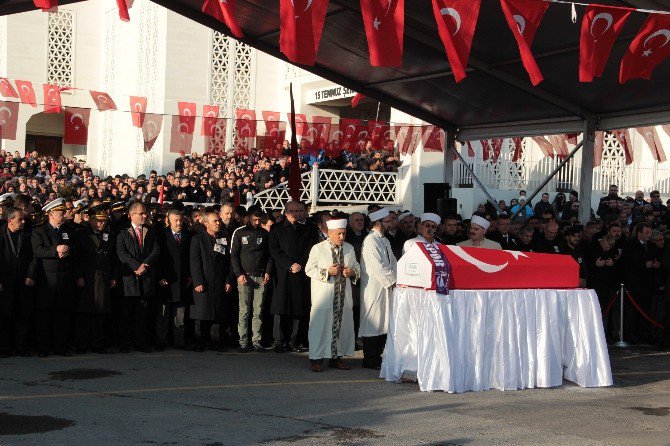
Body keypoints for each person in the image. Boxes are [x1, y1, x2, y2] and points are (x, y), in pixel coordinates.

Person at [305, 218, 361, 372]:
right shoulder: (318, 248)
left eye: (343, 234)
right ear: (329, 233)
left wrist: (351, 272)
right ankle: (316, 359)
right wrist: (327, 272)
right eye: (339, 234)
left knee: (341, 327)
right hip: (324, 298)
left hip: (343, 297)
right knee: (320, 327)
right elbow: (308, 269)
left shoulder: (349, 248)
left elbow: (357, 267)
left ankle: (337, 358)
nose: (342, 237)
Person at [31, 198, 79, 356]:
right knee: (44, 317)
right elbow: (37, 251)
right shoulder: (39, 230)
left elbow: (76, 249)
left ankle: (61, 346)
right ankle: (43, 348)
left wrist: (68, 251)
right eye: (60, 213)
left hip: (65, 279)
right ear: (51, 214)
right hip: (47, 280)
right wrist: (55, 250)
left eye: (64, 212)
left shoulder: (69, 230)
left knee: (62, 316)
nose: (64, 215)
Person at [269, 200, 318, 352]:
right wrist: (290, 264)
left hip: (301, 273)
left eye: (298, 211)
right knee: (280, 308)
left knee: (298, 308)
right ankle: (278, 341)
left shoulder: (310, 229)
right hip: (283, 273)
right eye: (292, 211)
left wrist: (300, 264)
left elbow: (312, 249)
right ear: (285, 212)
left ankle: (293, 341)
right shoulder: (276, 229)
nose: (295, 214)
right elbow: (274, 250)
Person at [116, 202, 160, 353]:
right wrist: (136, 266)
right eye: (141, 213)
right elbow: (122, 253)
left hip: (145, 279)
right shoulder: (122, 232)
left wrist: (145, 265)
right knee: (126, 314)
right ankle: (125, 343)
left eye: (145, 212)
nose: (144, 215)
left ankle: (141, 342)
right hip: (129, 280)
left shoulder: (150, 232)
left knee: (143, 315)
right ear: (131, 215)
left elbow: (155, 251)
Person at [73, 204, 117, 354]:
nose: (102, 224)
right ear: (91, 220)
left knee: (100, 312)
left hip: (103, 278)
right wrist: (78, 276)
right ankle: (82, 343)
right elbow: (76, 258)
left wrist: (113, 277)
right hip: (87, 277)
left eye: (104, 221)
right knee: (84, 313)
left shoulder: (109, 235)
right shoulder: (81, 235)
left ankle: (98, 343)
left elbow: (113, 258)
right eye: (98, 221)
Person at [189, 209, 233, 351]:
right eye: (215, 221)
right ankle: (200, 342)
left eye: (218, 220)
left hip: (219, 282)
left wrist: (228, 280)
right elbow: (195, 262)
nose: (218, 223)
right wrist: (198, 282)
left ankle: (216, 342)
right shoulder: (198, 239)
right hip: (204, 281)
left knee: (218, 314)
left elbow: (228, 263)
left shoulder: (223, 238)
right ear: (206, 224)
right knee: (202, 313)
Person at [360, 208, 397, 370]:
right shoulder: (370, 241)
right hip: (375, 288)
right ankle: (369, 359)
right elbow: (377, 266)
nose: (390, 224)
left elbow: (393, 262)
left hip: (387, 287)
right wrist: (392, 281)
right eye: (387, 222)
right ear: (377, 223)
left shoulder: (385, 240)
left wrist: (397, 278)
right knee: (373, 321)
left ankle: (378, 356)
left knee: (384, 321)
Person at [230, 209, 271, 353]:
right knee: (244, 310)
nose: (257, 222)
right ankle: (242, 341)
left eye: (259, 220)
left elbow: (269, 255)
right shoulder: (239, 232)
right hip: (244, 276)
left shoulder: (265, 234)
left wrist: (267, 271)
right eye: (254, 219)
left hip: (260, 276)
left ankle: (256, 341)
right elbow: (234, 255)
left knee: (258, 311)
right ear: (248, 218)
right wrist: (238, 274)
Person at [0, 208, 35, 357]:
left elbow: (34, 257)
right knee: (4, 316)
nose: (23, 222)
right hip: (4, 283)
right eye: (20, 219)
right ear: (10, 220)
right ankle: (3, 348)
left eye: (24, 219)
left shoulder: (27, 235)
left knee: (22, 316)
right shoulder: (0, 235)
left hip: (23, 282)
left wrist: (30, 275)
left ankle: (21, 347)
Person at [157, 208, 193, 350]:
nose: (179, 223)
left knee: (180, 315)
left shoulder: (189, 236)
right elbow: (157, 258)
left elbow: (192, 258)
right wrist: (159, 276)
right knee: (163, 314)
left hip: (182, 280)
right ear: (169, 221)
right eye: (175, 221)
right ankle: (161, 341)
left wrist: (191, 274)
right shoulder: (161, 236)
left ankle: (179, 341)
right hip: (165, 280)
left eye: (180, 220)